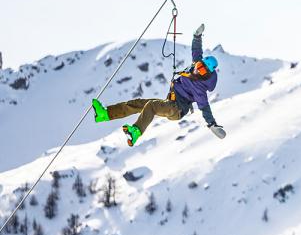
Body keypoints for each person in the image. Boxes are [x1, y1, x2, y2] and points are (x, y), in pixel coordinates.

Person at [92, 23, 227, 146]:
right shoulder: (196, 65)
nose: (198, 69)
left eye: (202, 69)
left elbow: (205, 109)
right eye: (199, 65)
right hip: (170, 102)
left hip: (176, 110)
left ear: (207, 74)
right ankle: (105, 114)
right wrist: (197, 36)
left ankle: (135, 132)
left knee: (151, 106)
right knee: (138, 103)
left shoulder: (200, 89)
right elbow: (196, 49)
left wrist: (212, 125)